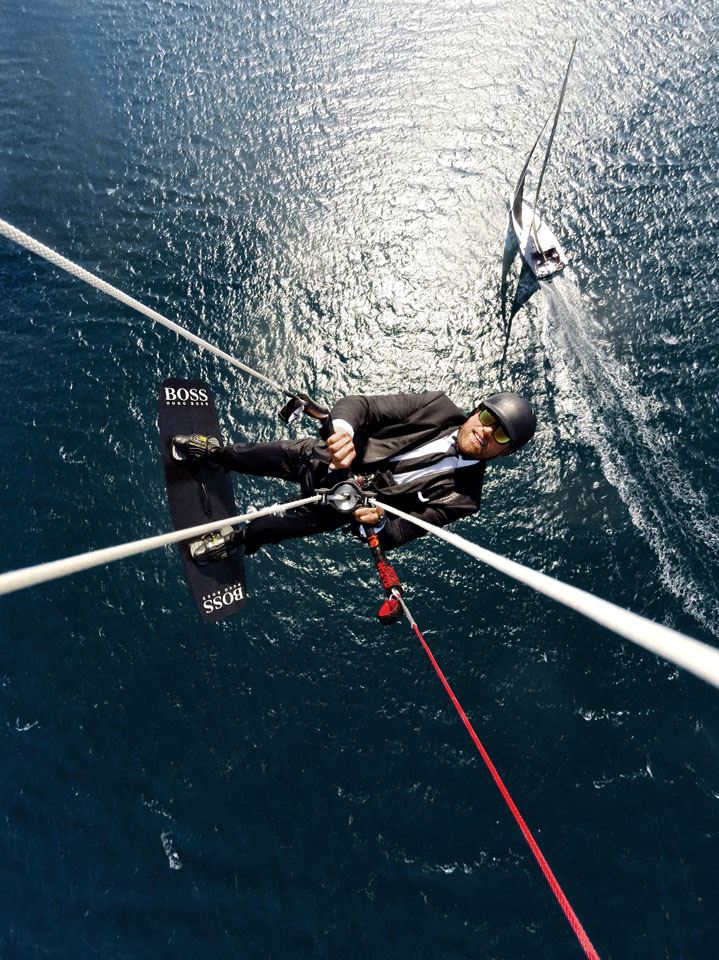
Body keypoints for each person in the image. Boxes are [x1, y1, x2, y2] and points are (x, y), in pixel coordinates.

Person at [172, 390, 536, 562]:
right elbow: (363, 407)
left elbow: (400, 533)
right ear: (476, 410)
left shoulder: (464, 498)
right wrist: (343, 431)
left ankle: (240, 537)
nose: (487, 432)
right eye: (488, 418)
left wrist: (376, 524)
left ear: (505, 452)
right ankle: (218, 454)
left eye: (501, 435)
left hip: (343, 506)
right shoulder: (435, 407)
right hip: (328, 458)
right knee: (262, 455)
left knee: (279, 526)